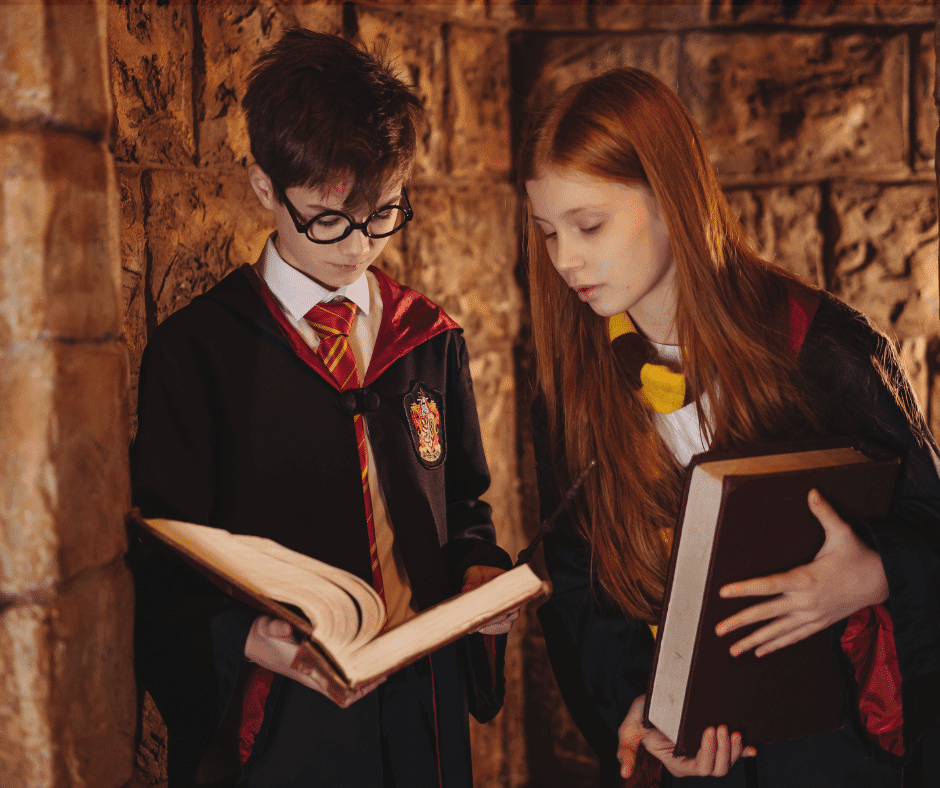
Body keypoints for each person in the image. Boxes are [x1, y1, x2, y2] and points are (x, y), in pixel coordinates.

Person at [519, 67, 940, 787]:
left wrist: (871, 575)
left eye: (589, 225)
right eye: (548, 232)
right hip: (697, 763)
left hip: (834, 750)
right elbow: (578, 585)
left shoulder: (822, 348)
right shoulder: (573, 392)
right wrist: (644, 708)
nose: (564, 259)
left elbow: (929, 519)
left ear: (672, 200)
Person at [130, 28, 518, 788]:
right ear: (265, 187)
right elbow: (162, 563)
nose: (357, 247)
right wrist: (247, 639)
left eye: (384, 215)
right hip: (280, 721)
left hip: (421, 712)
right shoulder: (198, 353)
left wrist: (480, 572)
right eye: (328, 219)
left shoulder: (425, 337)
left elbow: (465, 504)